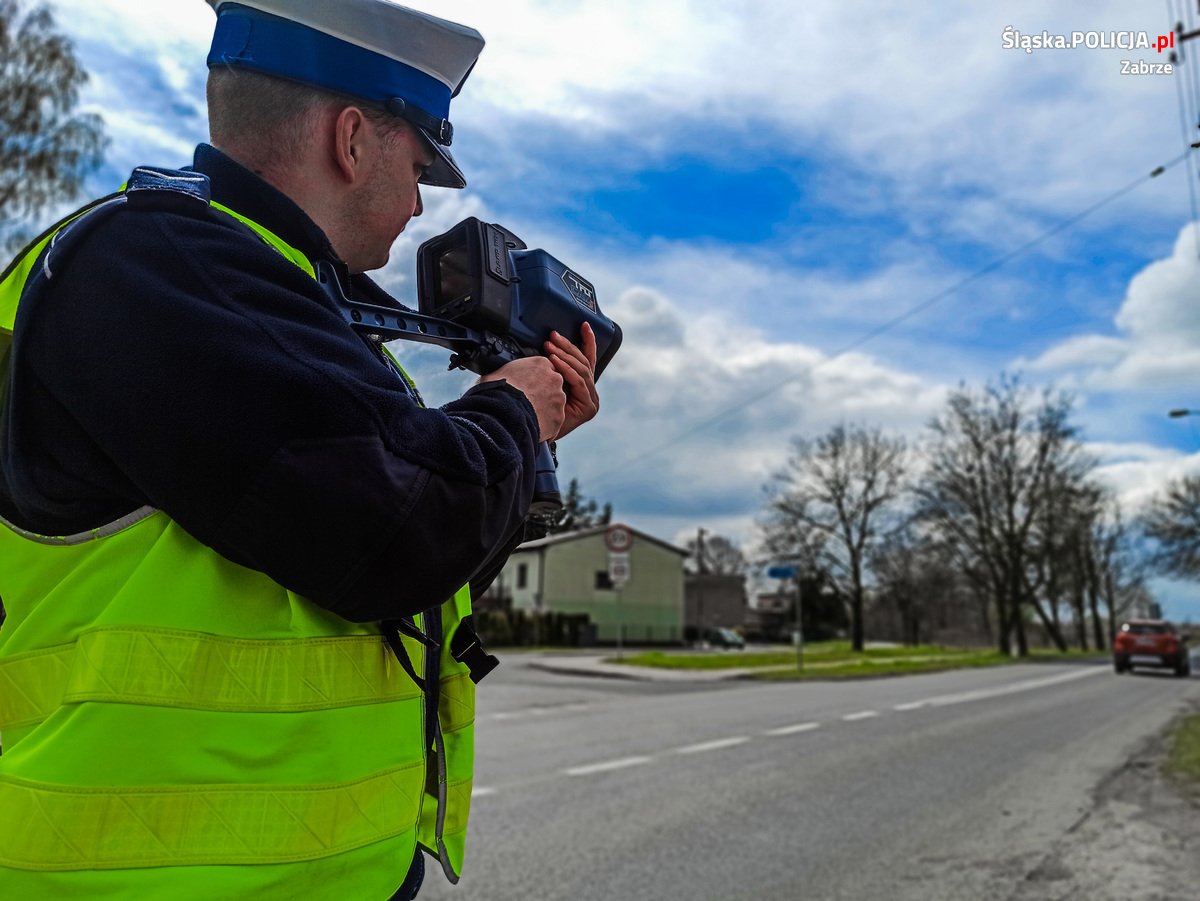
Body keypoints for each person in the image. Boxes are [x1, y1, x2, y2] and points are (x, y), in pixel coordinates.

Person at [0, 1, 601, 898]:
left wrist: (513, 450)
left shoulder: (278, 305)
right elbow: (396, 529)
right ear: (352, 138)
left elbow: (407, 572)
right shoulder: (165, 264)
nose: (415, 205)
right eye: (417, 170)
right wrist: (515, 411)